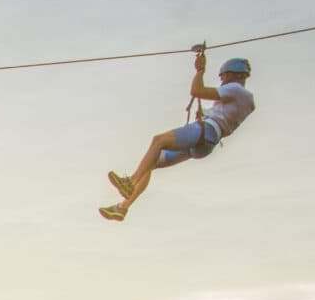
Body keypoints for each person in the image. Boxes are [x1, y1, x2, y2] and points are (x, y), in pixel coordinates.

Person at [100, 49, 254, 222]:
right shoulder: (246, 101)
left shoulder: (236, 90)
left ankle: (131, 182)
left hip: (205, 130)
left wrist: (200, 70)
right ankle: (123, 208)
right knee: (152, 162)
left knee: (158, 141)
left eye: (223, 76)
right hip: (207, 143)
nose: (222, 81)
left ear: (235, 75)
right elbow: (224, 117)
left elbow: (197, 90)